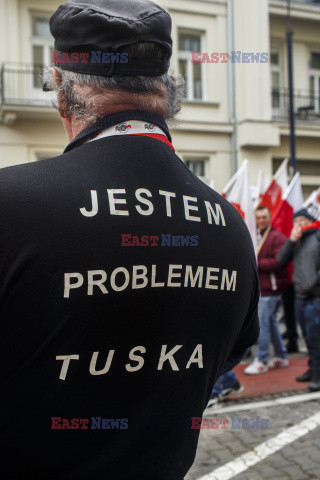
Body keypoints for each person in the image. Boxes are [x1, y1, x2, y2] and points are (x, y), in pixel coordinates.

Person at [0, 1, 260, 478]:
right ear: (169, 93)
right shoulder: (230, 224)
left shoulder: (10, 202)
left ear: (61, 93)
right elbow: (229, 351)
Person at [278, 208, 320, 392]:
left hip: (315, 297)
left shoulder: (317, 237)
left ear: (311, 220)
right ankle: (313, 368)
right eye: (296, 221)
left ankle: (318, 374)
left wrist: (315, 283)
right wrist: (291, 240)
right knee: (308, 337)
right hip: (300, 296)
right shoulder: (296, 241)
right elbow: (281, 259)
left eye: (303, 220)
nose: (299, 224)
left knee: (316, 337)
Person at [245, 206, 288, 375]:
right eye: (258, 217)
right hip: (261, 289)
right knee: (270, 323)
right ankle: (281, 355)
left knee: (263, 325)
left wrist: (258, 263)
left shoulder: (277, 237)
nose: (261, 220)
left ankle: (261, 360)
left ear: (270, 217)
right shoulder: (256, 236)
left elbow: (279, 262)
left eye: (264, 217)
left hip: (271, 290)